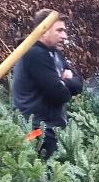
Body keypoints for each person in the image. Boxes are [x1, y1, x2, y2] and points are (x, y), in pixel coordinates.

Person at [12, 9, 83, 157]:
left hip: (52, 130)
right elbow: (59, 94)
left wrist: (64, 83)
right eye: (59, 30)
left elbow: (79, 84)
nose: (65, 36)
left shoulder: (55, 54)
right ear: (43, 31)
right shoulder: (34, 54)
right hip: (37, 131)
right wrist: (66, 81)